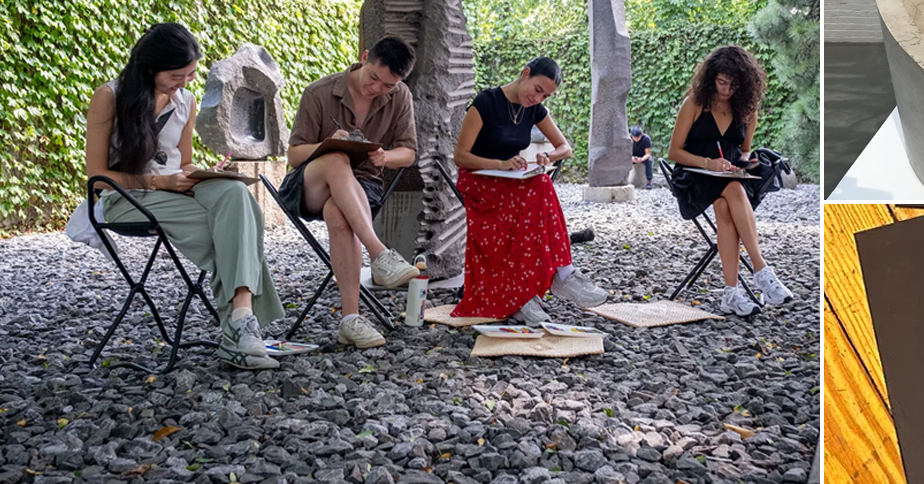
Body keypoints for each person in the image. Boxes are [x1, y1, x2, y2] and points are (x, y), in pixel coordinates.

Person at [79, 23, 285, 369]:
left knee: (235, 191)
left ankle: (241, 318)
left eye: (190, 75)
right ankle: (241, 331)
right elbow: (97, 177)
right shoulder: (109, 96)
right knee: (235, 231)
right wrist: (160, 183)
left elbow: (184, 162)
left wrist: (202, 175)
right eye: (177, 76)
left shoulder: (186, 101)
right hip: (124, 197)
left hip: (176, 188)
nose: (185, 83)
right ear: (149, 70)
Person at [280, 37, 419, 349]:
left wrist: (386, 157)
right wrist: (329, 143)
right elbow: (294, 155)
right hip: (310, 183)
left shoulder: (400, 97)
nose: (377, 88)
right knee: (336, 158)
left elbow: (408, 153)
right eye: (373, 78)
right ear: (364, 57)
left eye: (388, 86)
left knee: (337, 212)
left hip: (362, 187)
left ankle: (350, 320)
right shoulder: (319, 92)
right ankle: (380, 254)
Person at [450, 57, 606, 325]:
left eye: (545, 95)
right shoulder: (486, 103)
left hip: (510, 182)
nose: (538, 98)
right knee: (539, 188)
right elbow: (460, 157)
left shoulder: (535, 109)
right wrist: (498, 164)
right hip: (479, 180)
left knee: (540, 185)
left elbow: (565, 148)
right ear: (525, 74)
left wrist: (548, 154)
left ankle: (528, 294)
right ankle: (562, 275)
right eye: (537, 89)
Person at [667, 45, 794, 316]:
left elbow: (745, 149)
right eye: (721, 82)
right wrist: (708, 163)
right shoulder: (694, 104)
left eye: (732, 85)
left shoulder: (747, 110)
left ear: (744, 84)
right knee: (734, 189)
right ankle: (761, 271)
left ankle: (731, 293)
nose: (725, 90)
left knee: (727, 204)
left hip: (729, 175)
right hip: (695, 176)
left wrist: (744, 163)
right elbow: (674, 152)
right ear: (711, 78)